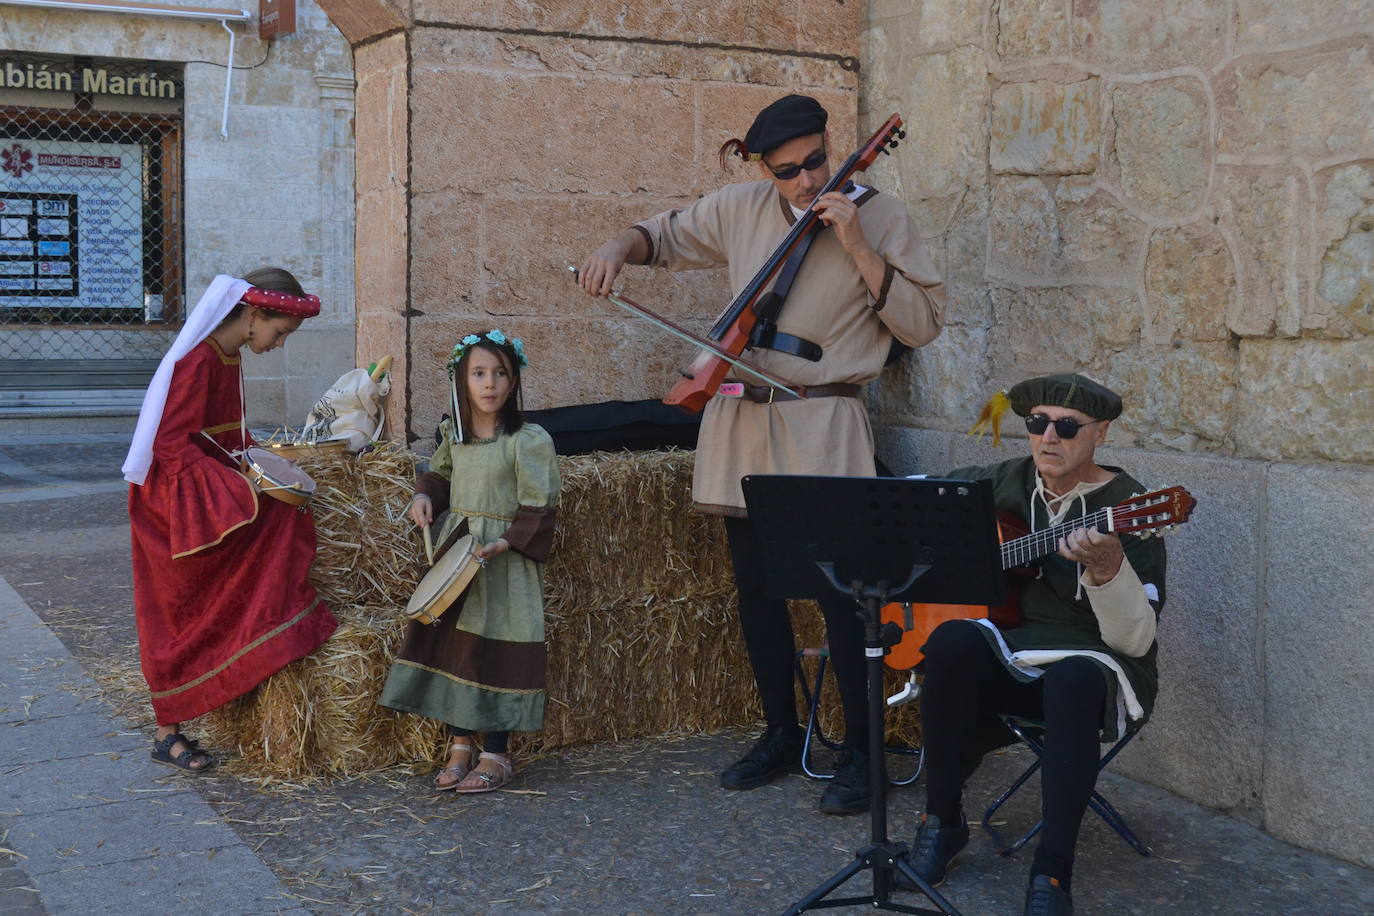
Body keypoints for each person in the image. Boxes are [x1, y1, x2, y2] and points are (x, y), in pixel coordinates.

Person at [578, 94, 946, 814]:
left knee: (845, 601)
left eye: (815, 161)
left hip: (823, 421)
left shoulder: (882, 216)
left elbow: (925, 321)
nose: (807, 180)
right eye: (789, 171)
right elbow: (663, 235)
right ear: (764, 169)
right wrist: (616, 246)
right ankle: (781, 732)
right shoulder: (742, 207)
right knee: (759, 591)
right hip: (742, 420)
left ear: (830, 146)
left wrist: (861, 248)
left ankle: (862, 752)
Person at [903, 373, 1167, 915]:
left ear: (1101, 434)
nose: (1050, 437)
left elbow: (1136, 641)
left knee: (1072, 678)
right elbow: (919, 501)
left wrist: (1109, 568)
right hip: (1015, 653)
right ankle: (943, 821)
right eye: (1037, 423)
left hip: (1097, 668)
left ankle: (1051, 873)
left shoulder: (1131, 504)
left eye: (1067, 427)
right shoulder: (1005, 480)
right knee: (952, 640)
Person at [122, 268, 339, 773]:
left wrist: (259, 462)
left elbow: (227, 436)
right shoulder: (198, 362)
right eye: (279, 333)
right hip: (171, 502)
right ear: (253, 315)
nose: (279, 344)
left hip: (201, 485)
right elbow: (171, 448)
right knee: (177, 609)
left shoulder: (229, 356)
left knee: (286, 514)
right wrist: (239, 489)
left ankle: (260, 645)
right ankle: (167, 730)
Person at [379, 330, 559, 794]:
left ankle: (496, 752)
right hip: (457, 556)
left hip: (499, 559)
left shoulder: (526, 439)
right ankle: (460, 745)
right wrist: (424, 498)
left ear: (514, 380)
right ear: (461, 380)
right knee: (455, 647)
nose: (490, 383)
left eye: (500, 373)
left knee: (493, 649)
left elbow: (539, 505)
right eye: (478, 373)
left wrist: (505, 541)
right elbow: (439, 474)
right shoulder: (453, 435)